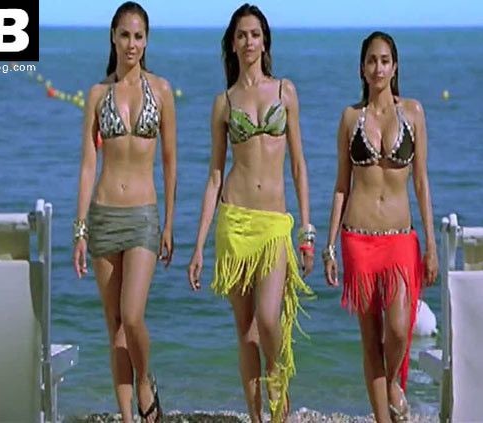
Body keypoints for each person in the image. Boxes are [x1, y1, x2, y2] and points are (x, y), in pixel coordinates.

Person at [187, 4, 314, 422]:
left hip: (275, 224)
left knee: (268, 318)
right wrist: (199, 246)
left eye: (255, 34)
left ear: (265, 41)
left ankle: (279, 385)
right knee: (246, 331)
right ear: (232, 44)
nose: (248, 42)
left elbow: (299, 166)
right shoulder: (223, 103)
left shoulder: (285, 92)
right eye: (241, 35)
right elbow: (214, 175)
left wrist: (306, 231)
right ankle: (257, 417)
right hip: (235, 221)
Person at [322, 31, 438, 423]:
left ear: (395, 66)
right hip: (358, 237)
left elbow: (421, 182)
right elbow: (342, 185)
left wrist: (431, 245)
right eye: (371, 61)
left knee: (400, 328)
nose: (378, 68)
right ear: (362, 68)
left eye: (384, 60)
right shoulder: (350, 117)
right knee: (370, 337)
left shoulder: (414, 113)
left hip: (400, 238)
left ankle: (391, 383)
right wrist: (329, 245)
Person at [72, 2, 177, 422]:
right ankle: (127, 417)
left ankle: (145, 379)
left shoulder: (162, 91)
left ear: (146, 41)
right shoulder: (98, 95)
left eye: (138, 36)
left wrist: (170, 223)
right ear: (113, 38)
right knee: (114, 323)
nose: (131, 43)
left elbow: (170, 161)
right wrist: (80, 229)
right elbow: (87, 164)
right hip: (103, 216)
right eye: (124, 35)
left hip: (143, 218)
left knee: (132, 316)